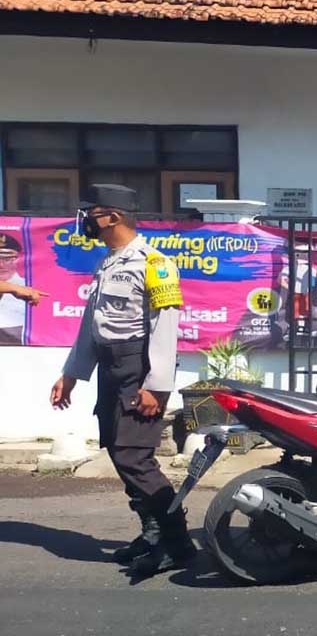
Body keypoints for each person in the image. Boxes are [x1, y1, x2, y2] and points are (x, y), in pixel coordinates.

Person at [49, 184, 192, 577]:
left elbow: (165, 326)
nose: (86, 221)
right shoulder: (109, 262)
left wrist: (157, 385)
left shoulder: (155, 262)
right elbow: (91, 326)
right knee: (117, 449)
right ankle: (152, 533)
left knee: (135, 457)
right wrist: (72, 374)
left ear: (112, 216)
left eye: (92, 213)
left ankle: (177, 542)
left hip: (137, 367)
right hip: (111, 369)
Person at [0, 233, 45, 344]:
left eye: (8, 259)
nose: (1, 265)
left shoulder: (31, 288)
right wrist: (12, 288)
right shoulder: (17, 289)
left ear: (17, 259)